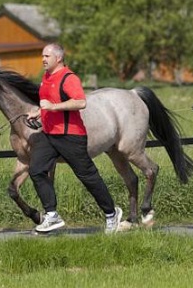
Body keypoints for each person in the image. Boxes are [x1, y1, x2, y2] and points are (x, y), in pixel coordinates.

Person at [27, 43, 122, 234]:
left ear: (58, 58)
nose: (43, 59)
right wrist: (39, 112)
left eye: (47, 56)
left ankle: (112, 214)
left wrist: (53, 108)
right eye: (42, 56)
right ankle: (52, 215)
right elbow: (49, 102)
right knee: (36, 170)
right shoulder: (46, 77)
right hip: (49, 134)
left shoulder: (69, 78)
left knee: (88, 177)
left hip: (71, 136)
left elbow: (81, 102)